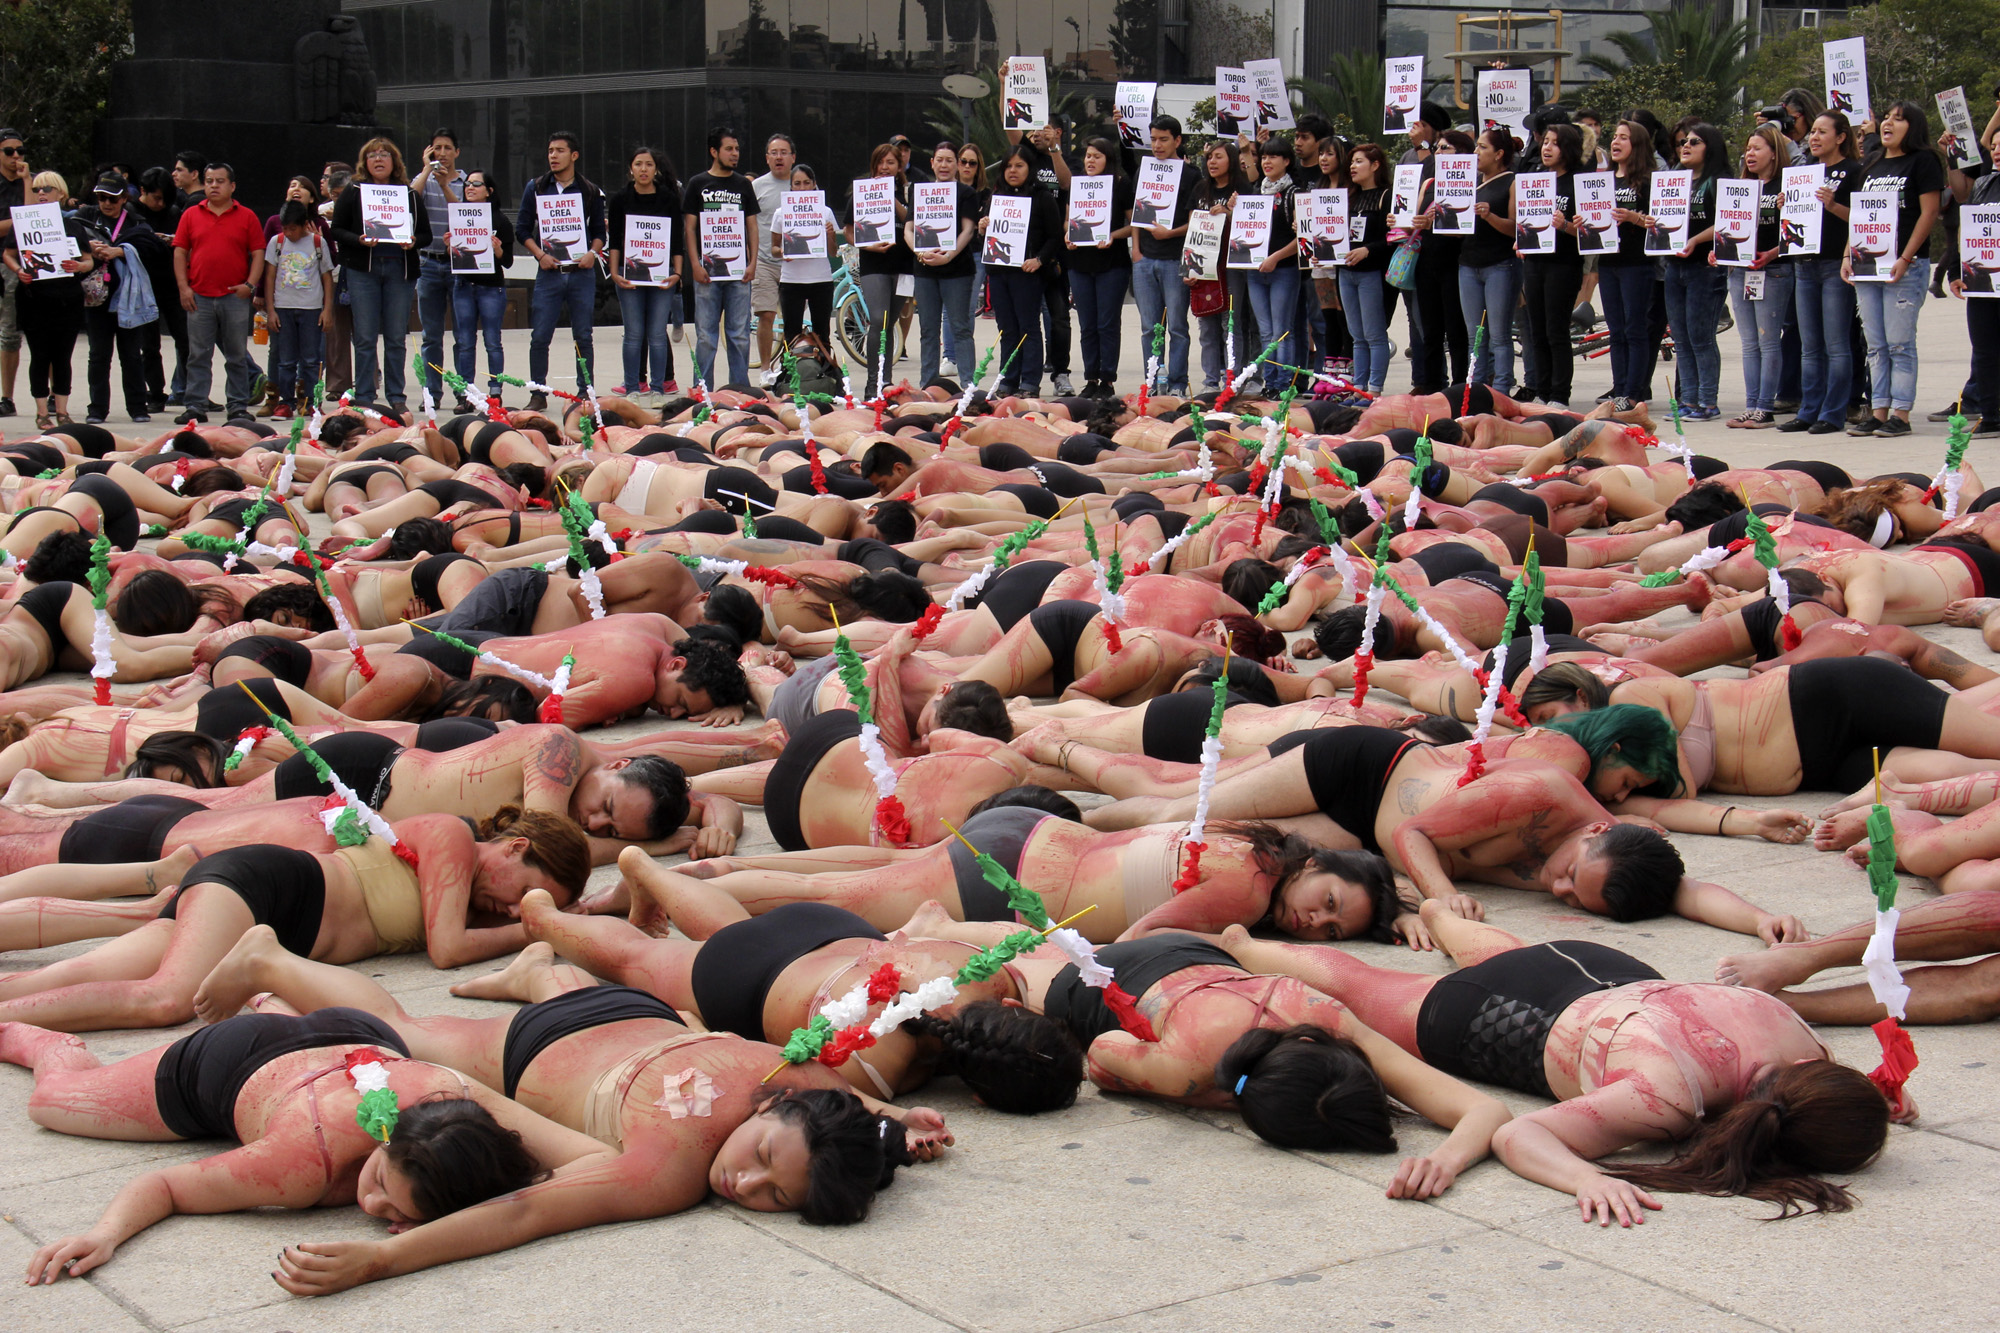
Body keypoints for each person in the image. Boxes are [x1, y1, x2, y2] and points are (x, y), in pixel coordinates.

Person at [1219, 906, 1900, 1222]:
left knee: (1506, 950)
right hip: (1513, 1022)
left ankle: (1440, 916)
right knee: (1366, 987)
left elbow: (1823, 1084)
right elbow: (1519, 1133)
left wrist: (1870, 1095)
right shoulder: (1667, 1098)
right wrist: (1582, 1178)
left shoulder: (1798, 1039)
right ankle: (1243, 943)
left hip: (1603, 968)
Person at [3, 1010, 606, 1284]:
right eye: (377, 1183)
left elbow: (597, 1162)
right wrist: (105, 1233)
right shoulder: (300, 1164)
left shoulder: (457, 1105)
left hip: (358, 1033)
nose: (371, 1207)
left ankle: (273, 998)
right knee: (53, 1103)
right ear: (385, 1140)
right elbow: (167, 1186)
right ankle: (33, 1037)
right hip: (232, 1060)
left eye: (396, 1212)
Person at [0, 810, 589, 1032]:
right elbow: (449, 949)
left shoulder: (468, 882)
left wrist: (566, 914)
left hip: (275, 915)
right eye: (528, 893)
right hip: (269, 889)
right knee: (167, 1001)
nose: (517, 909)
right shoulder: (454, 837)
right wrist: (549, 924)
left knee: (66, 976)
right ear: (513, 847)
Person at [1849, 100, 1946, 437]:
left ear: (1914, 127)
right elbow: (1862, 216)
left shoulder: (1924, 161)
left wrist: (1905, 258)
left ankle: (1901, 414)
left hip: (1906, 265)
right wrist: (1849, 256)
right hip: (1868, 264)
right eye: (1887, 118)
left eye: (1899, 119)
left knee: (1900, 344)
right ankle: (1878, 411)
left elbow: (1929, 213)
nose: (1889, 123)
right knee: (1875, 344)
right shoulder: (1872, 164)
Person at [329, 138, 431, 416]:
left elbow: (426, 234)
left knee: (396, 337)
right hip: (364, 272)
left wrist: (413, 241)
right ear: (365, 162)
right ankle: (364, 395)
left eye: (384, 154)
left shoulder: (407, 194)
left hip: (400, 271)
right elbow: (336, 230)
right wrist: (358, 240)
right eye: (372, 155)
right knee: (364, 336)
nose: (378, 159)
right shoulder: (354, 191)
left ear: (394, 162)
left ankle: (396, 396)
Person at [516, 130, 606, 411]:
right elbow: (521, 229)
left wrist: (593, 253)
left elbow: (599, 232)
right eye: (550, 151)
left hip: (580, 273)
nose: (553, 156)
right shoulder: (536, 187)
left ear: (574, 155)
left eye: (559, 151)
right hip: (549, 272)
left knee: (583, 335)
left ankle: (584, 392)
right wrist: (540, 254)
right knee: (540, 335)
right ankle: (538, 392)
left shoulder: (590, 190)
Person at [170, 163, 265, 424]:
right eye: (209, 180)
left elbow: (258, 252)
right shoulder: (191, 215)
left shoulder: (246, 216)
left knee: (236, 354)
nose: (213, 185)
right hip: (199, 295)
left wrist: (250, 285)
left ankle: (237, 405)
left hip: (234, 296)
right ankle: (195, 405)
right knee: (198, 354)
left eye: (220, 181)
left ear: (232, 186)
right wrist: (183, 287)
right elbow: (179, 251)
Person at [1, 172, 96, 430]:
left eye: (47, 189)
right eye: (36, 189)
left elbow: (88, 260)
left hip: (67, 299)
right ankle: (42, 412)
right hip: (34, 299)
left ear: (61, 193)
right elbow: (8, 253)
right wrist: (18, 270)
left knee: (63, 356)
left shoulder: (73, 225)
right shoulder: (23, 224)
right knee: (40, 356)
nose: (41, 193)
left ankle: (62, 410)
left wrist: (78, 265)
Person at [1788, 112, 1861, 435]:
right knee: (1809, 344)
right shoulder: (1804, 171)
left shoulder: (1855, 171)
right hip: (1804, 262)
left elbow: (1863, 219)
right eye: (1812, 132)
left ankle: (1833, 412)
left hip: (1834, 262)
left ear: (1841, 136)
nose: (1814, 137)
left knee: (1836, 343)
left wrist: (1833, 206)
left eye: (1822, 132)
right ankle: (1809, 409)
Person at [1721, 123, 1791, 428]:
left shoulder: (1785, 187)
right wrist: (1718, 250)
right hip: (1740, 272)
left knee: (1768, 341)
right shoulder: (1741, 187)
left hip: (1772, 270)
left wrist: (1772, 253)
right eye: (1748, 149)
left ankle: (1766, 405)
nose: (1750, 154)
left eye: (1757, 148)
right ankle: (1751, 404)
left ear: (1774, 154)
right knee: (1748, 342)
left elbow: (1798, 233)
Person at [76, 171, 160, 426]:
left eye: (112, 198)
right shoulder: (85, 218)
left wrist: (122, 250)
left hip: (127, 298)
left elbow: (153, 249)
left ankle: (137, 407)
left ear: (124, 198)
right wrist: (88, 246)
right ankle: (97, 409)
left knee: (131, 355)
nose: (106, 203)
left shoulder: (135, 223)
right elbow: (64, 238)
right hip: (96, 299)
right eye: (102, 197)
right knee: (98, 355)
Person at [681, 126, 760, 390]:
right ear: (714, 151)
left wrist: (752, 263)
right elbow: (689, 228)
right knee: (706, 336)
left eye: (737, 149)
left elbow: (752, 226)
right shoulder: (697, 184)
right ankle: (702, 391)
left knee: (739, 335)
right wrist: (694, 264)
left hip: (739, 272)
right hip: (707, 272)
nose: (734, 154)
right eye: (729, 148)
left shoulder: (743, 185)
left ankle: (740, 390)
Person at [981, 146, 1060, 398]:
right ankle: (1008, 379)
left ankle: (1029, 382)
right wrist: (984, 226)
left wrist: (1039, 260)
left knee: (1028, 327)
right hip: (999, 271)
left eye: (1019, 166)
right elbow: (987, 233)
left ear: (1030, 168)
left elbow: (1055, 236)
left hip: (1027, 273)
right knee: (1006, 328)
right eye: (1008, 166)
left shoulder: (1042, 196)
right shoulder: (996, 197)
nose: (1012, 171)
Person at [1660, 123, 1725, 420]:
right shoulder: (1673, 180)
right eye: (1684, 141)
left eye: (1695, 142)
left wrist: (1696, 240)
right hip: (1675, 267)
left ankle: (1707, 401)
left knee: (1701, 338)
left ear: (1709, 147)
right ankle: (1687, 399)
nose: (1686, 145)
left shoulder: (1718, 180)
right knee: (1682, 339)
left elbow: (1726, 221)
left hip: (1704, 267)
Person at [607, 146, 683, 400]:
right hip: (629, 275)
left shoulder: (669, 199)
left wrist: (678, 273)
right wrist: (614, 273)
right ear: (631, 168)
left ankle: (658, 388)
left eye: (648, 164)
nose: (643, 169)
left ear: (656, 169)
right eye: (638, 164)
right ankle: (632, 387)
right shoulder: (620, 199)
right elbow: (615, 239)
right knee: (633, 333)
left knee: (657, 333)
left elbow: (675, 240)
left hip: (663, 275)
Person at [1130, 116, 1198, 396]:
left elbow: (1195, 220)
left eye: (1163, 139)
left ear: (1177, 141)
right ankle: (1153, 378)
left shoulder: (1192, 175)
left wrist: (1169, 234)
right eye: (1153, 139)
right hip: (1145, 259)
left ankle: (1178, 382)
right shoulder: (1142, 171)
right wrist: (1136, 250)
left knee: (1178, 327)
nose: (1157, 145)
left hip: (1175, 260)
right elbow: (1136, 213)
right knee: (1149, 327)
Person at [1521, 124, 1585, 411]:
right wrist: (1520, 239)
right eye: (1545, 142)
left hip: (1564, 264)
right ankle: (1542, 390)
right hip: (1535, 262)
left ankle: (1560, 394)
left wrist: (1566, 226)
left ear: (1568, 148)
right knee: (1537, 330)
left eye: (1554, 143)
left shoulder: (1579, 182)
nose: (1546, 148)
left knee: (1556, 331)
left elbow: (1595, 235)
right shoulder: (1536, 179)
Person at [1064, 137, 1133, 398]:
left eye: (1097, 156)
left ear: (1108, 159)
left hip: (1112, 263)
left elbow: (1134, 223)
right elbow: (1069, 221)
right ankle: (1090, 378)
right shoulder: (1077, 184)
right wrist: (1068, 236)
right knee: (1087, 325)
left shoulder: (1121, 184)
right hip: (1080, 263)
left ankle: (1107, 379)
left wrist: (1114, 235)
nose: (1090, 161)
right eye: (1088, 156)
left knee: (1107, 324)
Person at [1597, 120, 1657, 410]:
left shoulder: (1647, 180)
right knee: (1616, 329)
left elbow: (1659, 223)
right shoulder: (1605, 179)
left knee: (1635, 329)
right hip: (1608, 262)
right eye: (1614, 137)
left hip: (1636, 263)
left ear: (1638, 144)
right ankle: (1619, 388)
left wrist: (1633, 217)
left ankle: (1634, 392)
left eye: (1624, 137)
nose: (1616, 142)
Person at [908, 142, 977, 391]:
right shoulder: (919, 191)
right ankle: (928, 384)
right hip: (925, 269)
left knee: (960, 328)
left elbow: (968, 229)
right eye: (940, 159)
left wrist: (948, 256)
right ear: (932, 163)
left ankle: (969, 385)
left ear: (957, 164)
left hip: (957, 270)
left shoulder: (966, 193)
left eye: (950, 160)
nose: (944, 165)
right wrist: (919, 250)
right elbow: (909, 228)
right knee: (928, 329)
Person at [1949, 121, 2000, 438]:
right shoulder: (1982, 184)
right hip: (1981, 281)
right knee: (1984, 349)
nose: (1996, 149)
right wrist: (1955, 271)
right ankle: (1991, 413)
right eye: (1994, 145)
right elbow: (1967, 230)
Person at [260, 202, 335, 418]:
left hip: (311, 308)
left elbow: (327, 278)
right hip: (283, 308)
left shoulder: (317, 243)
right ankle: (286, 401)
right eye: (285, 228)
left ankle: (309, 401)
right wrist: (271, 310)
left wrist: (326, 309)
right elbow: (270, 276)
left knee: (310, 358)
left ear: (304, 225)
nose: (288, 233)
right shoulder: (277, 242)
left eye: (293, 228)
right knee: (285, 359)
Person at [1459, 128, 1519, 393]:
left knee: (1499, 334)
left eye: (1482, 147)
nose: (1476, 153)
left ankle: (1503, 387)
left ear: (1499, 154)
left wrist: (1489, 216)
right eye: (1476, 147)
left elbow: (1516, 226)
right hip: (1468, 264)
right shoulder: (1468, 183)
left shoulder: (1511, 182)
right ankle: (1477, 387)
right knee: (1475, 335)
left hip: (1500, 264)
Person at [411, 128, 466, 412]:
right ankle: (432, 392)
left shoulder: (467, 182)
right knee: (431, 335)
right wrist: (425, 171)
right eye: (436, 148)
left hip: (459, 265)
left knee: (462, 334)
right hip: (428, 262)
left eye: (447, 147)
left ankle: (462, 392)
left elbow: (468, 219)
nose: (441, 153)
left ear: (457, 152)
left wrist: (446, 185)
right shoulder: (423, 179)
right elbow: (410, 200)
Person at [852, 143, 913, 399]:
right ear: (874, 165)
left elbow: (916, 220)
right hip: (874, 263)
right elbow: (849, 229)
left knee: (891, 323)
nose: (885, 167)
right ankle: (872, 383)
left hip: (904, 265)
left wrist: (894, 200)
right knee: (879, 319)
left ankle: (885, 382)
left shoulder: (910, 191)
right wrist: (868, 245)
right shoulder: (863, 190)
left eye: (891, 163)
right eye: (881, 162)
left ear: (899, 166)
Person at [1242, 136, 1300, 394]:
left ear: (1286, 161)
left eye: (1273, 156)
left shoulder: (1294, 194)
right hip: (1255, 272)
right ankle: (1270, 382)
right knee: (1265, 332)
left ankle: (1282, 383)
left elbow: (1303, 239)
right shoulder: (1256, 191)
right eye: (1263, 156)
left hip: (1283, 270)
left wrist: (1275, 257)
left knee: (1281, 331)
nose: (1266, 161)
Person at [451, 170, 514, 403]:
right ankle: (465, 392)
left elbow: (507, 261)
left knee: (492, 341)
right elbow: (457, 255)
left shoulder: (500, 220)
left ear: (489, 191)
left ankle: (495, 391)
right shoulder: (458, 216)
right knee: (465, 341)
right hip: (464, 285)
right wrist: (451, 247)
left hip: (491, 288)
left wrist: (497, 249)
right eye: (467, 184)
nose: (470, 187)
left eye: (476, 184)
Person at [1192, 140, 1250, 393]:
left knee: (1231, 324)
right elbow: (1191, 229)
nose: (1212, 162)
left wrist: (1229, 213)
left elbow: (1253, 227)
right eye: (1209, 158)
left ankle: (1233, 379)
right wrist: (1189, 268)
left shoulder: (1243, 189)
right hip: (1204, 266)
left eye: (1218, 157)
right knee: (1206, 325)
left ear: (1233, 160)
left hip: (1232, 266)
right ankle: (1210, 381)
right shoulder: (1200, 189)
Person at [130, 165, 184, 412]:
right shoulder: (131, 212)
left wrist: (173, 240)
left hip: (171, 283)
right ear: (143, 191)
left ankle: (186, 389)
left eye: (165, 198)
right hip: (144, 285)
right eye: (156, 197)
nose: (161, 203)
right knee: (149, 344)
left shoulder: (173, 212)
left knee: (185, 339)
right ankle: (155, 392)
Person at [769, 163, 838, 346]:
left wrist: (830, 234)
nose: (802, 188)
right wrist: (783, 253)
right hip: (792, 281)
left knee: (822, 335)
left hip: (821, 280)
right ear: (790, 186)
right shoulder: (780, 213)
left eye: (806, 183)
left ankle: (823, 373)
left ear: (814, 184)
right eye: (797, 183)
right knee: (791, 335)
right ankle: (791, 373)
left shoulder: (826, 212)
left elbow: (833, 251)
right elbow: (774, 249)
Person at [750, 133, 794, 381]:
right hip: (765, 261)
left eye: (784, 152)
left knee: (792, 319)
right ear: (767, 158)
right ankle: (765, 369)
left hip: (795, 265)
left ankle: (788, 367)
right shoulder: (756, 187)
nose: (779, 157)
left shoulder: (803, 184)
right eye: (774, 152)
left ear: (793, 157)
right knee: (766, 315)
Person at [317, 162, 355, 400]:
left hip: (359, 273)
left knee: (363, 333)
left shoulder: (361, 208)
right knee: (336, 333)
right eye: (334, 196)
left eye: (342, 195)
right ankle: (337, 384)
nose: (337, 200)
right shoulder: (322, 212)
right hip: (333, 275)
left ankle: (365, 382)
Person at [0, 126, 26, 417]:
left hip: (20, 264)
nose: (16, 156)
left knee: (10, 334)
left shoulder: (27, 184)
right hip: (2, 259)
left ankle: (7, 397)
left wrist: (28, 180)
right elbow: (26, 220)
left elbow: (35, 217)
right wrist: (19, 221)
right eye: (9, 151)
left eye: (20, 151)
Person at [957, 143, 993, 350]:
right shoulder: (947, 190)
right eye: (963, 162)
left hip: (976, 253)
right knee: (948, 310)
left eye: (973, 163)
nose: (967, 166)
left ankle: (962, 351)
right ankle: (950, 355)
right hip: (949, 253)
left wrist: (983, 227)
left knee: (968, 307)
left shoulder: (987, 194)